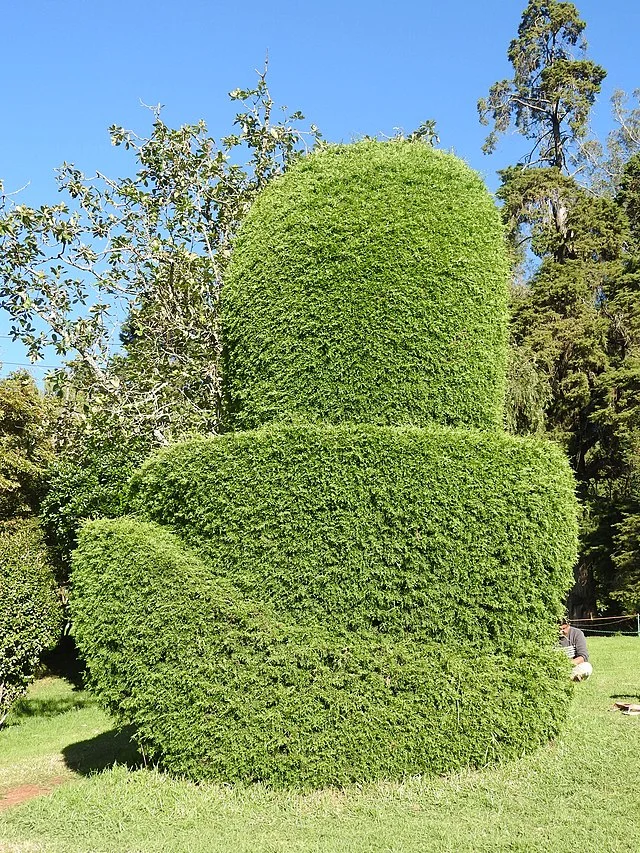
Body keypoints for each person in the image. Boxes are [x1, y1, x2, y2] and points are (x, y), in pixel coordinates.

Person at [559, 617, 593, 681]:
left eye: (564, 629)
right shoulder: (549, 635)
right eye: (558, 629)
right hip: (554, 667)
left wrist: (567, 665)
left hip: (571, 666)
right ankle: (569, 678)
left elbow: (583, 656)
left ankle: (568, 677)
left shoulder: (577, 634)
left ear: (569, 625)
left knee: (587, 667)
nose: (561, 632)